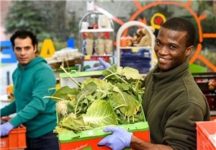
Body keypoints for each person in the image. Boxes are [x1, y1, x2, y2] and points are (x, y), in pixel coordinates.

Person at [98, 17, 210, 150]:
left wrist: (132, 141)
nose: (162, 51)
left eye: (172, 46)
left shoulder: (188, 100)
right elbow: (140, 91)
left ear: (188, 51)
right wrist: (116, 76)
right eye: (159, 43)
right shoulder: (158, 73)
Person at [0, 30, 59, 150]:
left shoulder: (43, 72)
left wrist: (11, 123)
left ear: (35, 48)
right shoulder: (17, 73)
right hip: (27, 133)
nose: (22, 53)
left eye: (27, 48)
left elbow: (37, 104)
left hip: (46, 136)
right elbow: (21, 101)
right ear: (13, 49)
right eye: (18, 49)